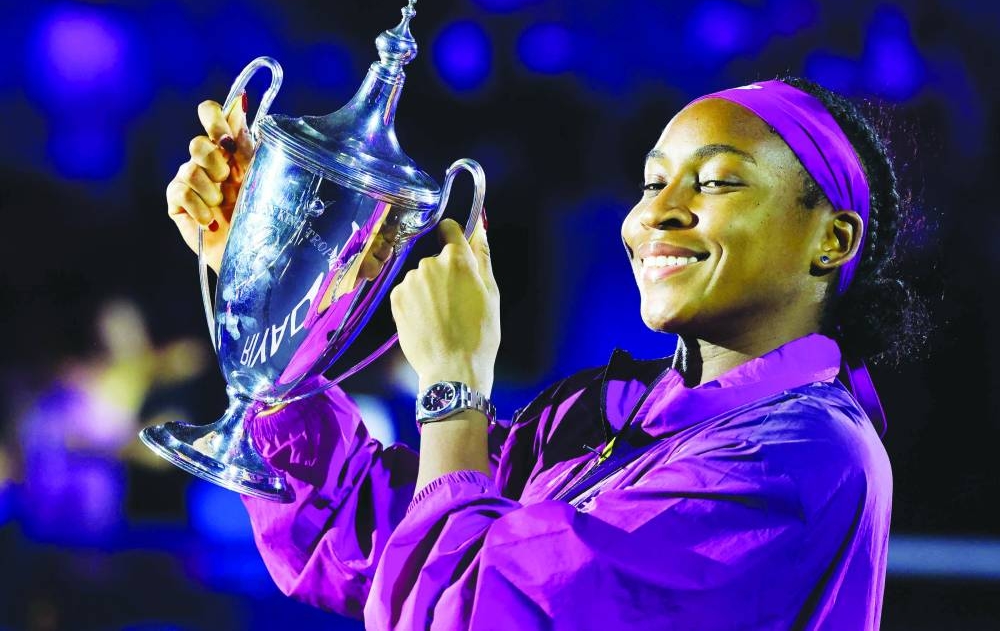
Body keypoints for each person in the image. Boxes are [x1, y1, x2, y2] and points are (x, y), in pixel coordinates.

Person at [165, 76, 922, 629]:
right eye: (652, 181)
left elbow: (469, 611)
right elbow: (372, 542)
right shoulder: (604, 415)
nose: (658, 212)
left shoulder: (804, 455)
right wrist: (272, 292)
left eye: (718, 182)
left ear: (832, 239)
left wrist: (454, 385)